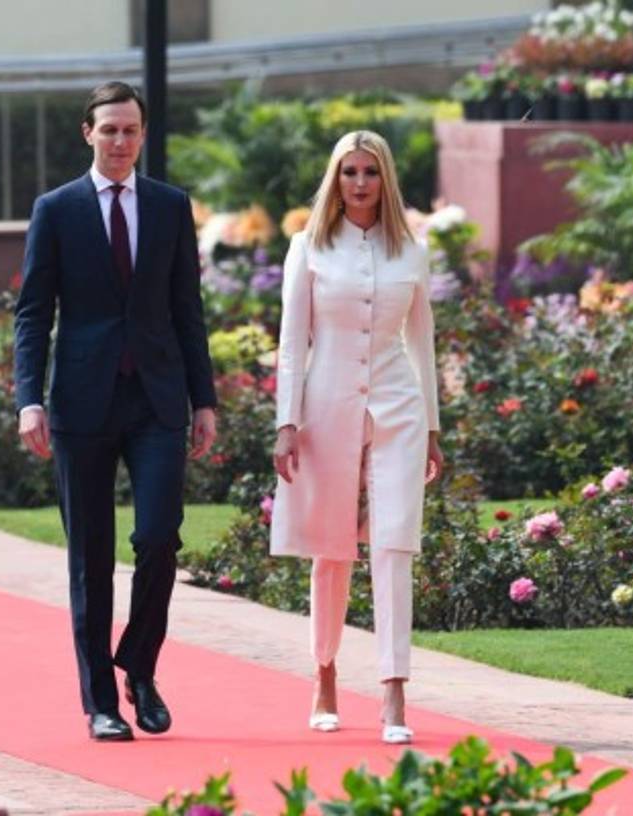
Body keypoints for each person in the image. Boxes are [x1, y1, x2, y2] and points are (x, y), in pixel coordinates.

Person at [14, 81, 218, 742]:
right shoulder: (57, 209)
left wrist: (204, 399)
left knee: (159, 538)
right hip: (81, 402)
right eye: (110, 131)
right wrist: (28, 399)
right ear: (88, 134)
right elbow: (33, 313)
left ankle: (139, 666)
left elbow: (189, 310)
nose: (121, 142)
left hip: (157, 400)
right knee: (91, 558)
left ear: (142, 134)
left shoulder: (169, 206)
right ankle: (100, 701)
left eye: (131, 131)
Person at [270, 130, 442, 745]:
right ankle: (325, 673)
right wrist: (286, 423)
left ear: (386, 178)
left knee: (395, 542)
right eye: (350, 172)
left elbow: (421, 340)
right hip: (327, 401)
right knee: (332, 543)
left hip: (399, 403)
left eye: (370, 172)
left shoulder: (411, 251)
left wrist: (432, 426)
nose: (361, 183)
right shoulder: (308, 246)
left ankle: (394, 690)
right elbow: (294, 342)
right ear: (335, 180)